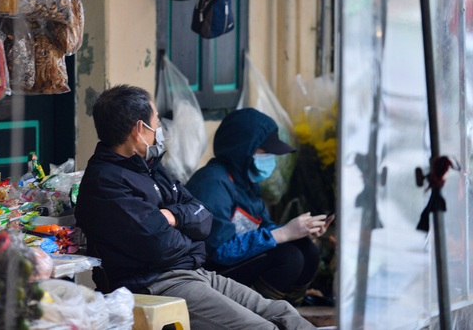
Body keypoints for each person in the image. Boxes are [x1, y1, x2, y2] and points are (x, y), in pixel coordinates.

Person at [75, 85, 316, 329]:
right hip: (158, 283)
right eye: (157, 121)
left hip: (194, 272)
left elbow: (202, 216)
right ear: (139, 129)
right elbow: (160, 246)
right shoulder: (106, 183)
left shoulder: (149, 166)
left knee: (283, 312)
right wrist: (188, 234)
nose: (160, 129)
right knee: (261, 327)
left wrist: (174, 217)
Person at [185, 107, 334, 306]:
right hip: (210, 273)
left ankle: (289, 313)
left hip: (237, 262)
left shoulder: (246, 181)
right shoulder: (212, 184)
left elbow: (263, 227)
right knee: (289, 258)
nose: (270, 158)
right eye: (265, 152)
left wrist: (299, 232)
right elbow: (218, 251)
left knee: (307, 250)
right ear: (243, 149)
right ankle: (256, 315)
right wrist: (281, 234)